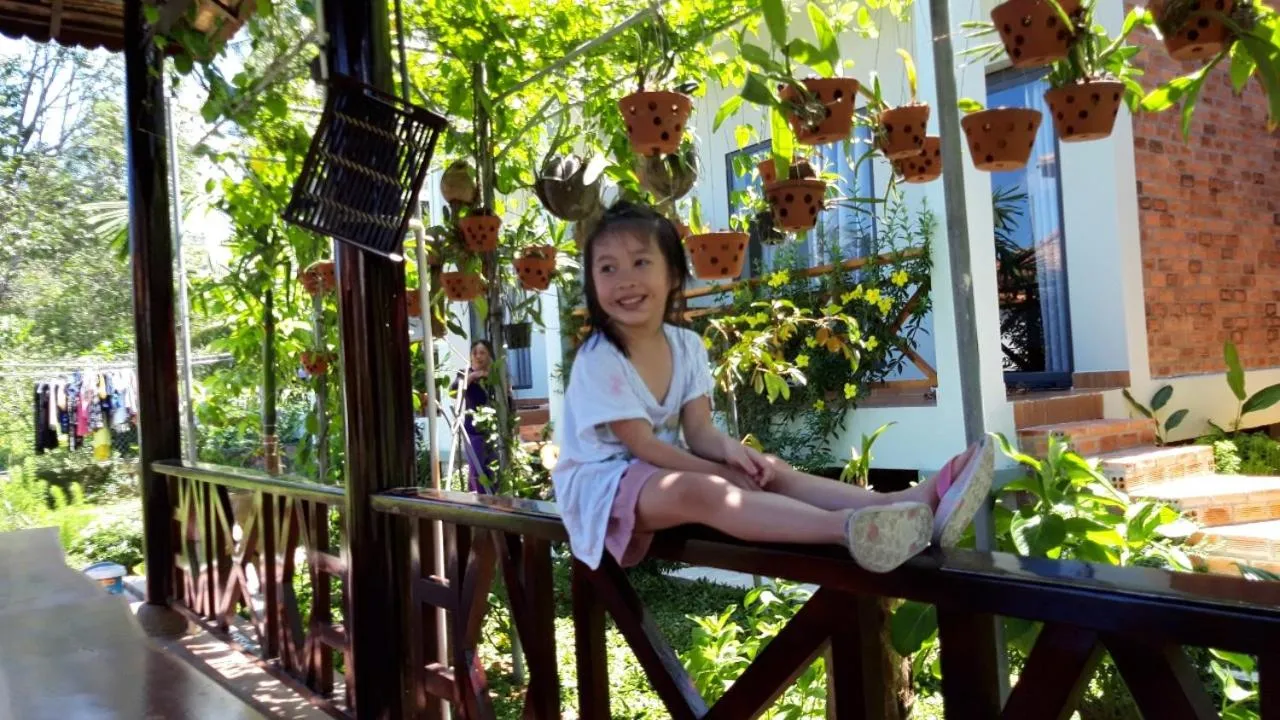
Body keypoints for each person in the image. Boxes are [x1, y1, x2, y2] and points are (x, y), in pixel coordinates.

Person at [552, 201, 994, 573]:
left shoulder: (684, 345)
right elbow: (643, 448)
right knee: (705, 491)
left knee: (766, 468)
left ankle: (904, 502)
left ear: (672, 277)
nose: (624, 280)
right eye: (607, 268)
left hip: (656, 473)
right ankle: (849, 529)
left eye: (640, 262)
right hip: (602, 485)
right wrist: (714, 473)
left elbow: (700, 431)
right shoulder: (600, 357)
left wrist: (733, 455)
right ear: (591, 282)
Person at [453, 339, 513, 494]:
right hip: (473, 430)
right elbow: (453, 391)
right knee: (477, 470)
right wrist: (473, 376)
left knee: (493, 470)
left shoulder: (496, 375)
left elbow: (508, 400)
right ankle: (478, 503)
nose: (478, 356)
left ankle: (494, 501)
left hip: (495, 431)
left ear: (489, 355)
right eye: (475, 353)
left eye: (482, 352)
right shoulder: (464, 373)